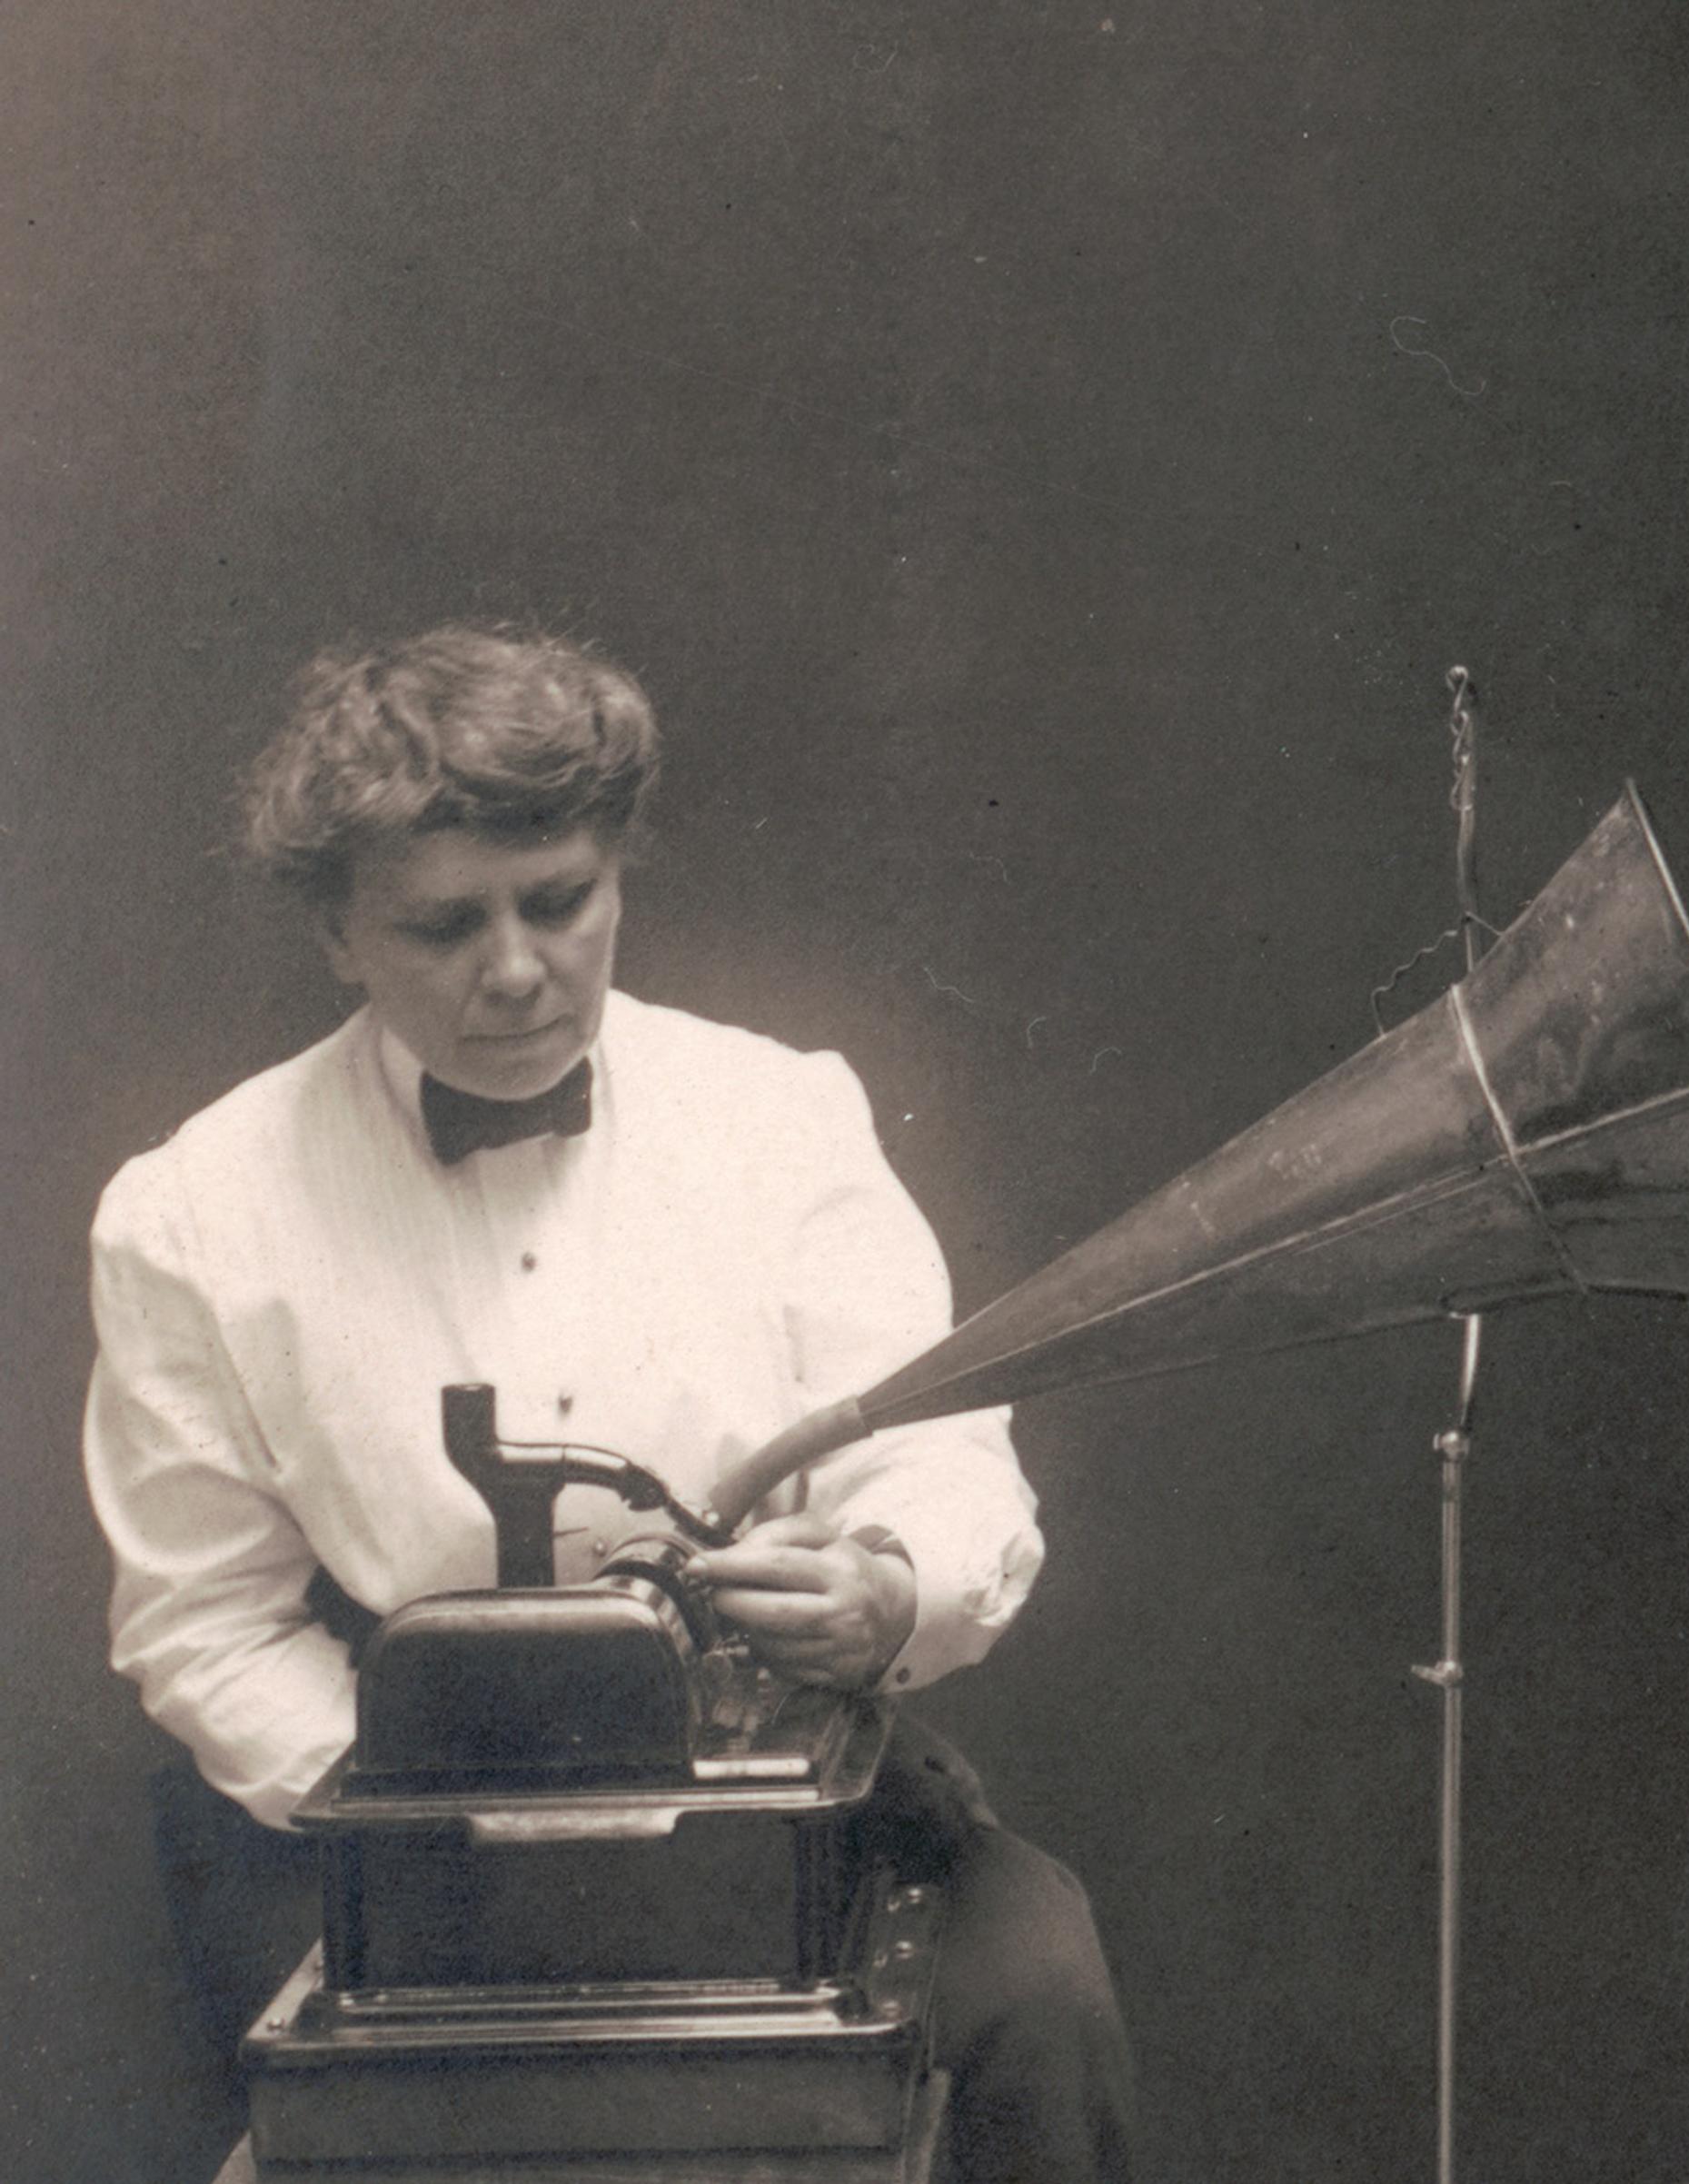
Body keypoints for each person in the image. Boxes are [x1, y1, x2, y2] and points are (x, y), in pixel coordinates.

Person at [84, 625, 1138, 2182]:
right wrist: (431, 1824)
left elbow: (940, 1461)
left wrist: (887, 1593)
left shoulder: (785, 1116)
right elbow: (200, 1625)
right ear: (338, 936)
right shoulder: (190, 1216)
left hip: (788, 1805)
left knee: (1039, 1989)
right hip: (409, 1851)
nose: (516, 971)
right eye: (443, 926)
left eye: (560, 902)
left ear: (618, 871)